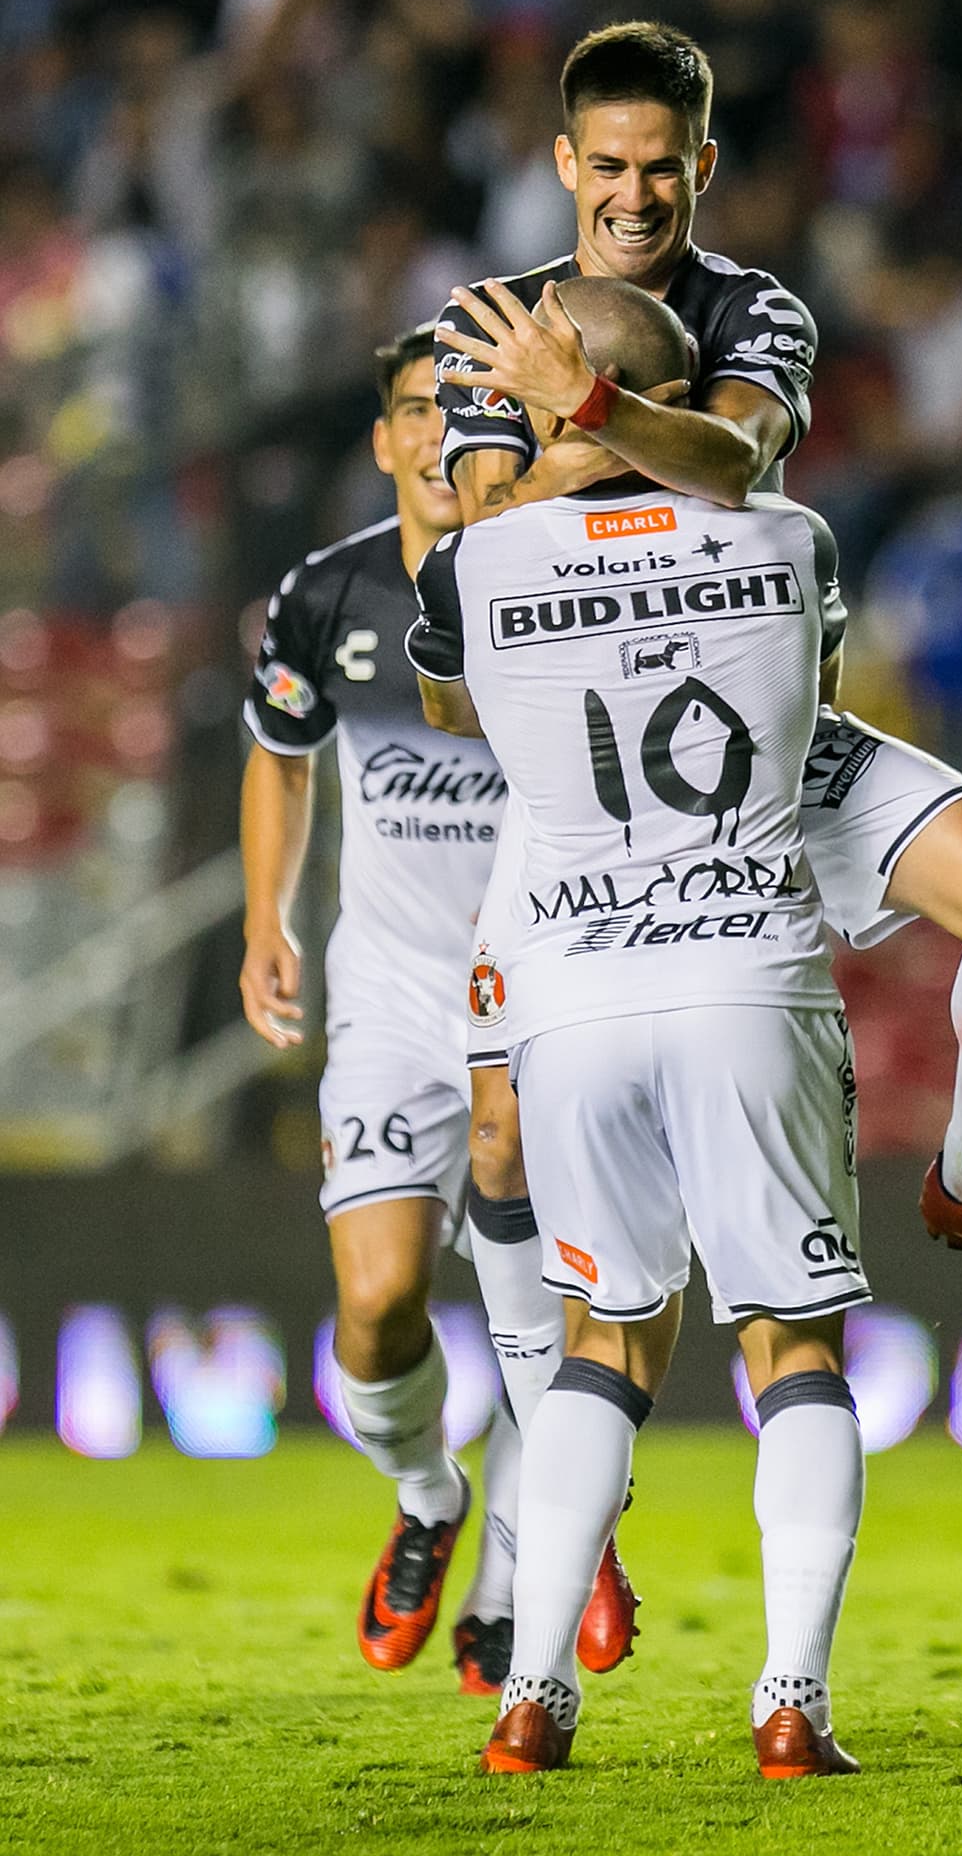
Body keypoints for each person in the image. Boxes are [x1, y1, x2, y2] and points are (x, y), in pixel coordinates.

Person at [431, 19, 962, 1332]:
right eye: (610, 167)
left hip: (763, 735)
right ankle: (565, 1496)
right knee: (504, 1145)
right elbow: (479, 528)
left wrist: (579, 418)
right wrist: (640, 438)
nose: (635, 197)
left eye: (662, 170)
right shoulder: (496, 326)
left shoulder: (756, 309)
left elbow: (735, 460)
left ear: (702, 163)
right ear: (566, 161)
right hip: (585, 785)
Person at [411, 275, 866, 1780]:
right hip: (746, 970)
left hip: (572, 994)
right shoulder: (789, 536)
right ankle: (789, 1703)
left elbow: (458, 714)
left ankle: (531, 1695)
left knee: (602, 1347)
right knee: (789, 1347)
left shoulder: (473, 567)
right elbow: (821, 697)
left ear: (552, 392)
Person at [238, 325, 634, 1696]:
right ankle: (425, 1500)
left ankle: (525, 1584)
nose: (438, 435)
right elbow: (281, 755)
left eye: (462, 410)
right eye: (417, 410)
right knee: (380, 1304)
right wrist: (265, 919)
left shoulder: (566, 574)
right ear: (388, 439)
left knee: (558, 1310)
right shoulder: (323, 593)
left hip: (552, 986)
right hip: (398, 1005)